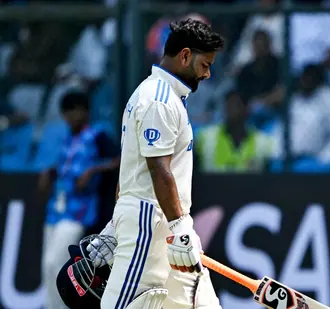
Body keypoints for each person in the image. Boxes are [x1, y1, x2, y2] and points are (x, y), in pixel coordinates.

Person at [87, 19, 225, 309]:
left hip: (169, 227)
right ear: (185, 55)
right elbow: (157, 170)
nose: (208, 73)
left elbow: (130, 170)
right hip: (151, 226)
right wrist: (179, 226)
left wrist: (178, 227)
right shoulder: (158, 100)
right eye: (205, 64)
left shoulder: (166, 97)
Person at [38, 91, 120, 309]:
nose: (70, 117)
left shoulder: (98, 135)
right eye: (67, 112)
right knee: (46, 267)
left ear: (85, 111)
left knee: (55, 264)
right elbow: (67, 169)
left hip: (80, 211)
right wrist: (52, 172)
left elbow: (119, 159)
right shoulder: (67, 138)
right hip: (56, 209)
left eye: (75, 111)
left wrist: (93, 170)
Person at [195, 90, 275, 173]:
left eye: (236, 106)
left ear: (246, 110)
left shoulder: (263, 142)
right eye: (228, 106)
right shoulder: (206, 137)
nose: (231, 111)